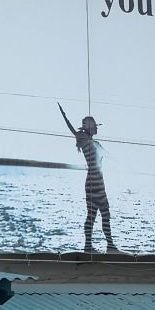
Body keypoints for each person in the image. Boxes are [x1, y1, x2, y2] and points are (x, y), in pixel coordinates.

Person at [58, 103, 118, 254]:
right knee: (102, 213)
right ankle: (105, 247)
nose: (97, 128)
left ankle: (92, 246)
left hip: (96, 179)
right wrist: (64, 116)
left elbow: (110, 156)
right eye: (95, 125)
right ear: (90, 127)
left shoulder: (93, 142)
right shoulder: (83, 138)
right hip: (94, 180)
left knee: (96, 214)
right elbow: (72, 128)